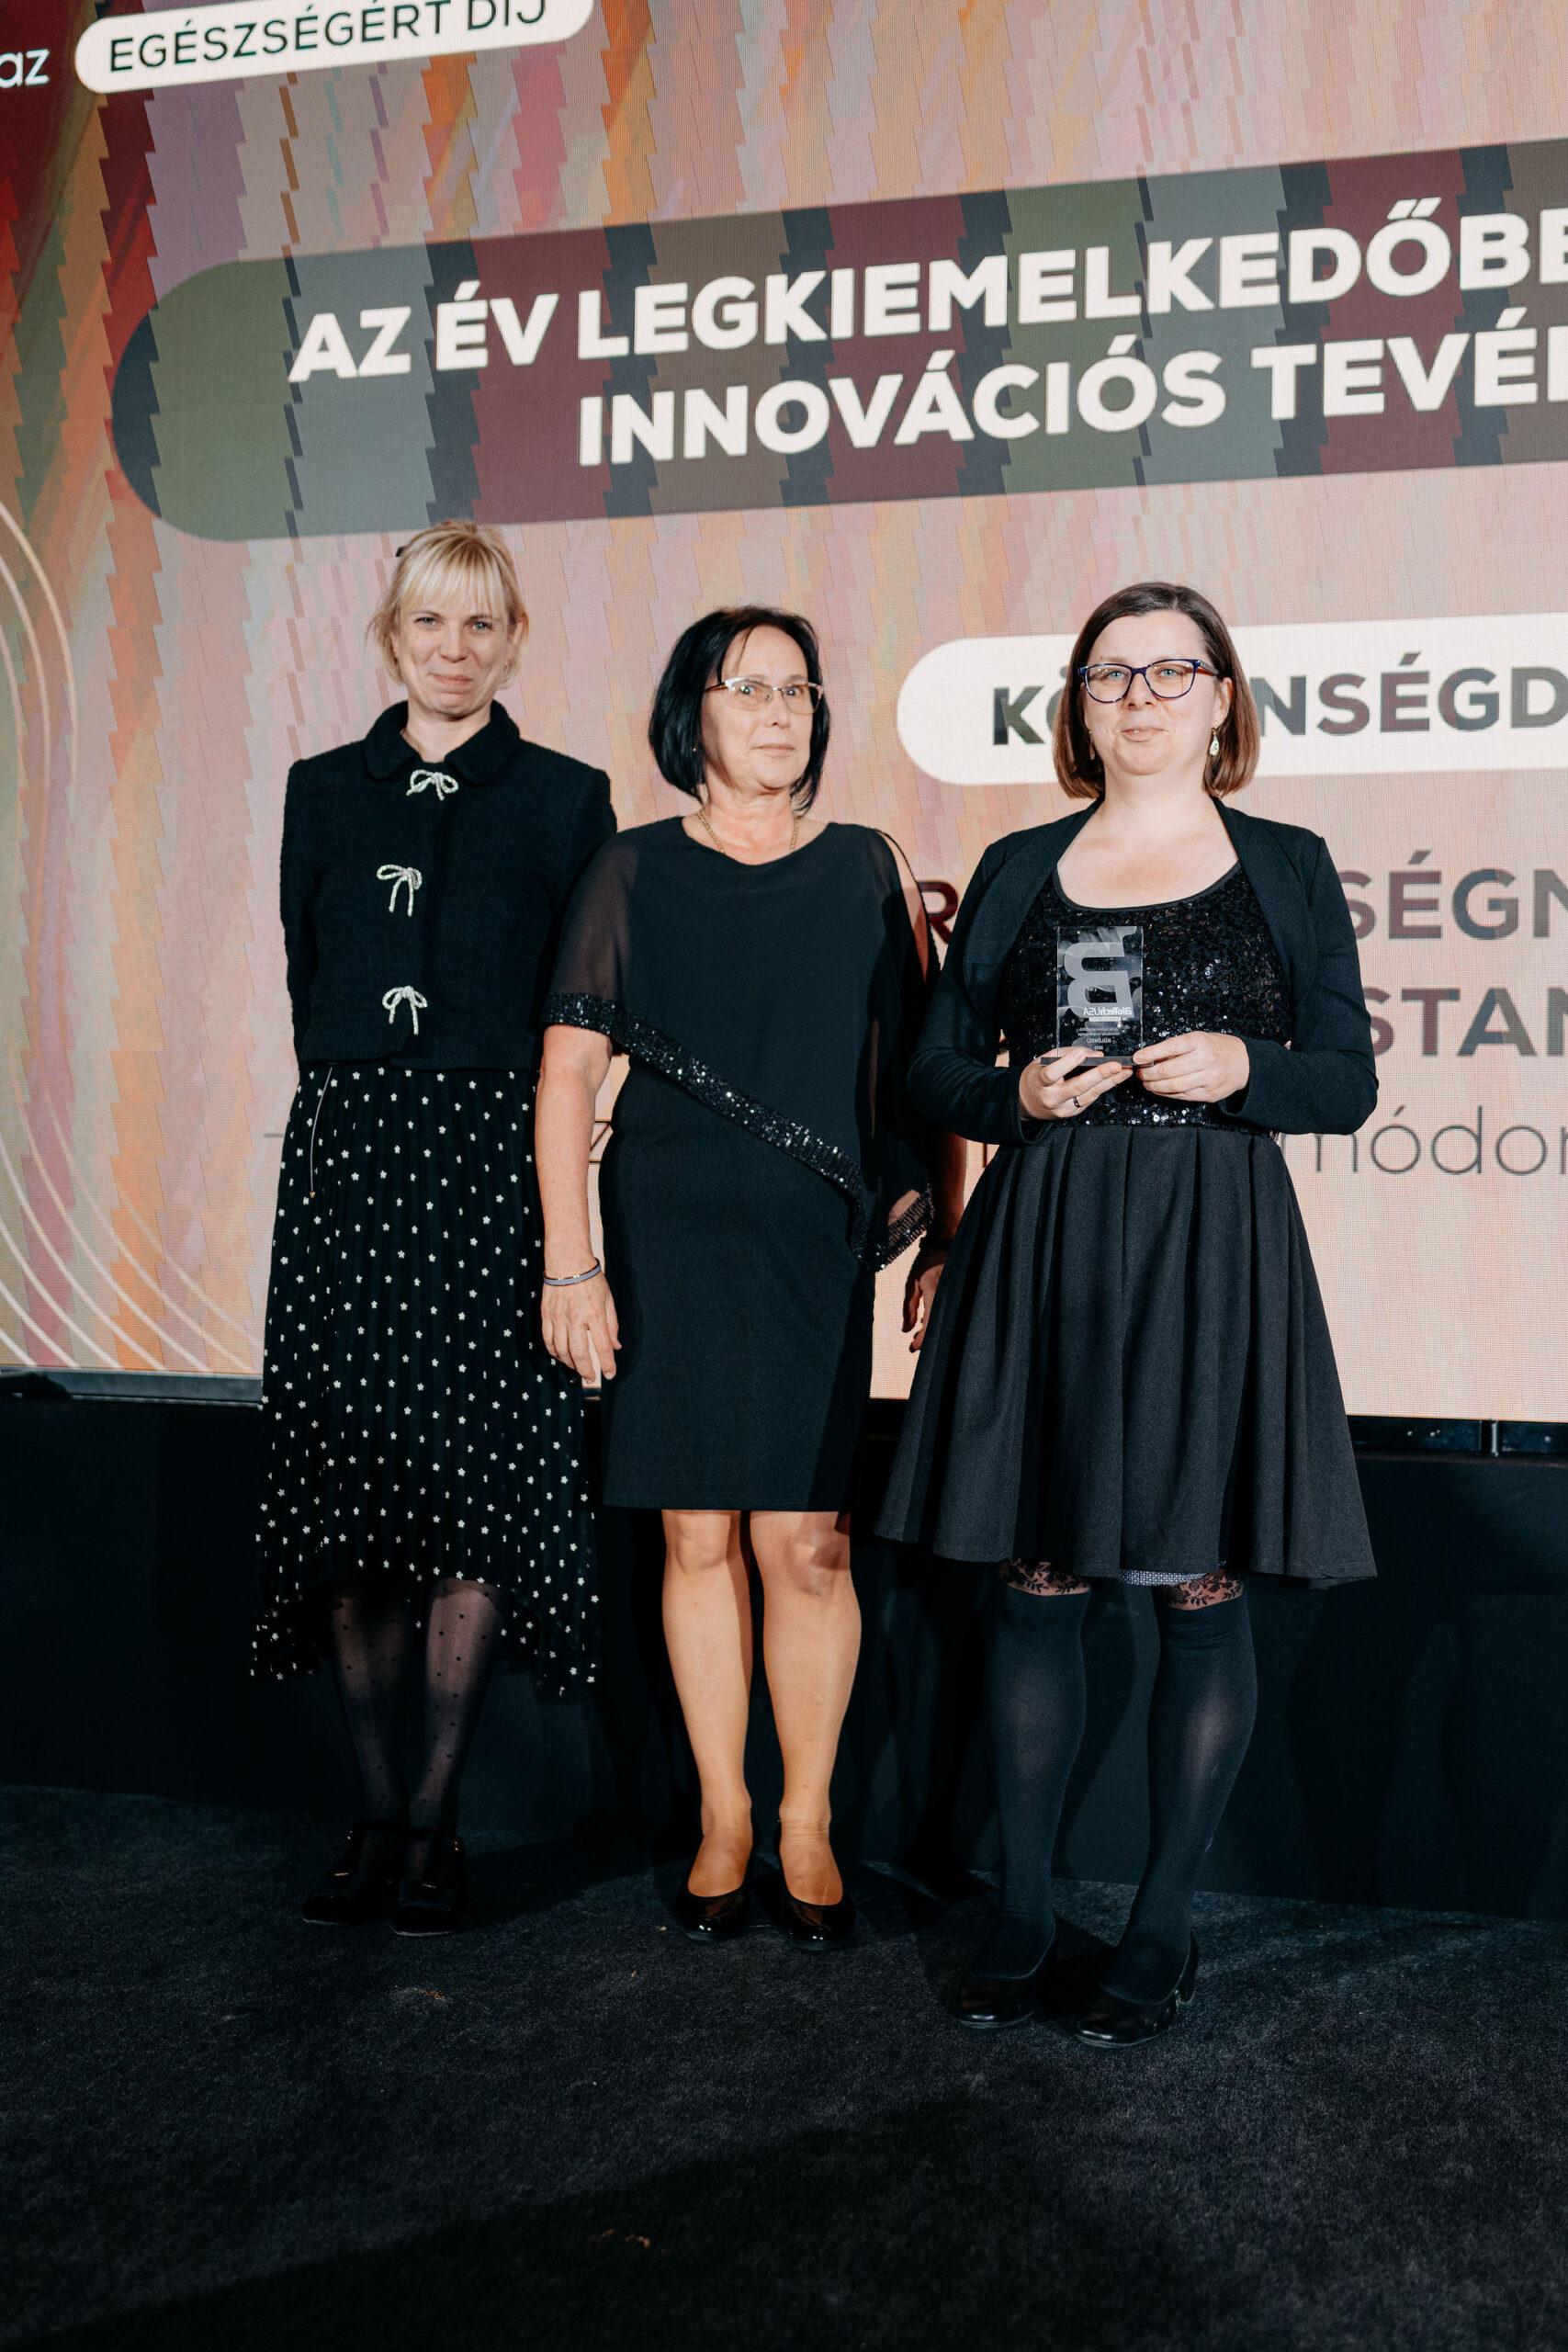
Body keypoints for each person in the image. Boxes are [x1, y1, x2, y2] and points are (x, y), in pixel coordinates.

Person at [879, 580, 1378, 2042]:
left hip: (1209, 1241)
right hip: (1048, 1240)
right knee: (1035, 1582)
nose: (1141, 696)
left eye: (1172, 672)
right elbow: (933, 1071)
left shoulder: (1287, 863)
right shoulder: (1018, 863)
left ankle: (1162, 1926)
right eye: (1112, 675)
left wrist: (1249, 1069)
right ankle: (1026, 1909)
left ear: (1222, 699)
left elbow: (1345, 1080)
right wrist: (1014, 1095)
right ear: (1078, 707)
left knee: (1194, 1585)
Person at [536, 606, 963, 1949]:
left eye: (799, 690)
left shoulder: (865, 866)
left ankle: (808, 1821)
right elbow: (565, 1075)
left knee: (806, 1543)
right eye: (749, 689)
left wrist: (945, 1234)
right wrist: (569, 1261)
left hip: (808, 1250)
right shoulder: (631, 870)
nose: (780, 712)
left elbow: (927, 1071)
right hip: (665, 1238)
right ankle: (724, 1816)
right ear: (694, 716)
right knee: (695, 1535)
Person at [254, 520, 614, 1935]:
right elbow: (311, 977)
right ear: (390, 635)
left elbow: (585, 1006)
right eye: (428, 623)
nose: (452, 651)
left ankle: (434, 1822)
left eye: (479, 626)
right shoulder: (320, 790)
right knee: (348, 1491)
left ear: (512, 640)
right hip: (351, 1165)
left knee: (467, 1492)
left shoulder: (568, 797)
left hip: (487, 1167)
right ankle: (367, 1810)